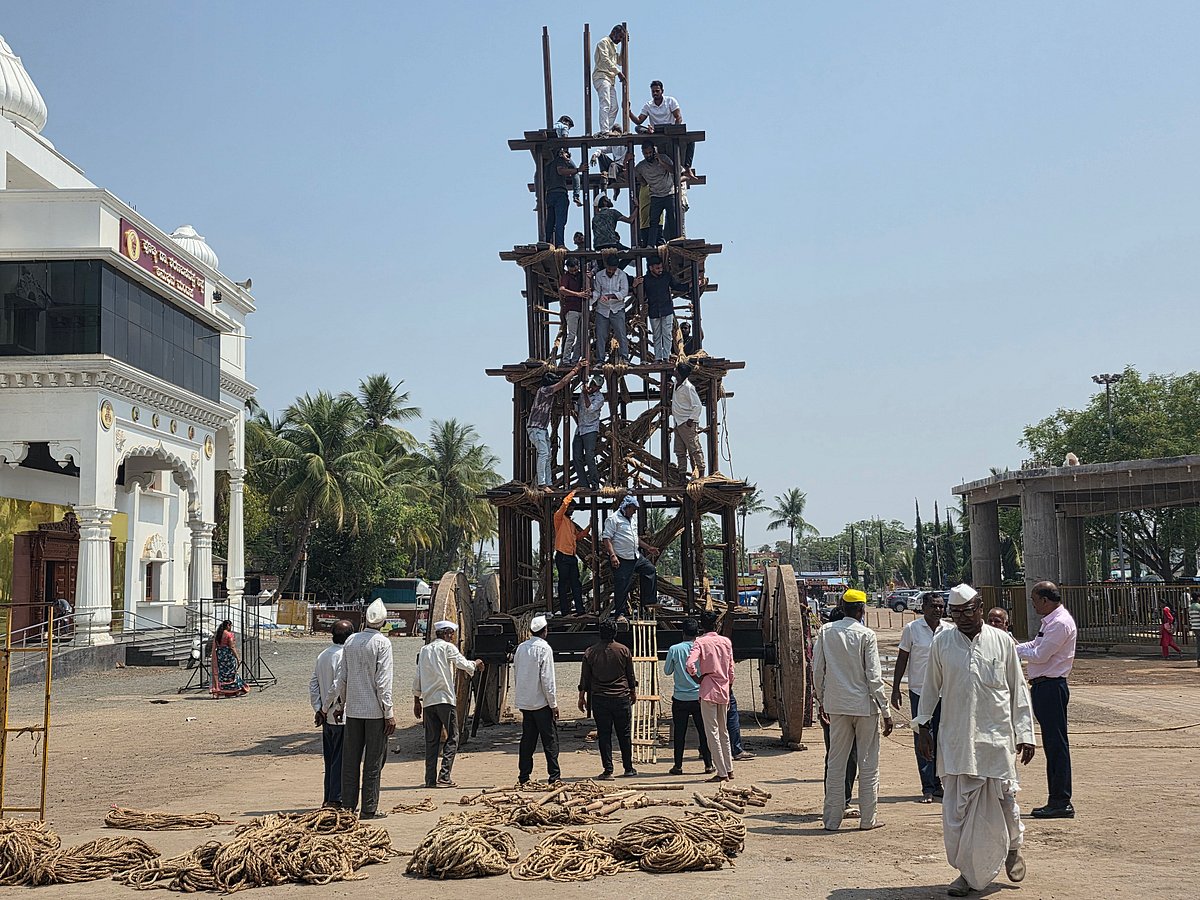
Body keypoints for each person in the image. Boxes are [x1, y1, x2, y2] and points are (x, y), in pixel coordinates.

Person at [917, 584, 1035, 896]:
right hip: (956, 741)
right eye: (956, 614)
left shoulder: (1002, 642)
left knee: (1005, 801)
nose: (963, 618)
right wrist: (923, 727)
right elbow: (930, 688)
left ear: (980, 607)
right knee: (957, 812)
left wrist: (1025, 734)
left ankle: (1010, 851)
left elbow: (1018, 689)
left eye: (968, 611)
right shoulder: (942, 643)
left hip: (995, 739)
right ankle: (967, 870)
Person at [812, 588, 892, 831]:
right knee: (868, 764)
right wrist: (886, 711)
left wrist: (820, 702)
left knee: (836, 763)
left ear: (843, 608)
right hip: (865, 707)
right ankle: (868, 820)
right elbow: (874, 677)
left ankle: (832, 821)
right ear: (861, 610)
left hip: (836, 705)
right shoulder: (866, 635)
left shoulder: (825, 632)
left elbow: (817, 671)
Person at [1016, 580, 1077, 819]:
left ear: (1045, 600)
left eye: (1033, 600)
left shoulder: (1060, 623)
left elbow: (1040, 655)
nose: (1032, 605)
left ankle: (1060, 800)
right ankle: (1057, 798)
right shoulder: (1050, 622)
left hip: (1052, 686)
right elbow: (1035, 644)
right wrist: (1014, 647)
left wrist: (1014, 650)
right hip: (1043, 687)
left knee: (1056, 745)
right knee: (1053, 744)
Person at [337, 599, 395, 818]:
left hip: (353, 711)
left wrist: (340, 704)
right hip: (375, 713)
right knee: (373, 762)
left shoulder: (350, 641)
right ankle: (369, 808)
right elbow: (383, 682)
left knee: (350, 762)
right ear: (384, 622)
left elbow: (342, 677)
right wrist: (388, 713)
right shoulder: (382, 643)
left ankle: (348, 807)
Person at [891, 591, 949, 802]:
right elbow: (902, 658)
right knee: (923, 737)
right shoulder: (912, 629)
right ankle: (927, 786)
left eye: (941, 606)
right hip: (919, 692)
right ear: (923, 608)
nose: (937, 610)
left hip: (945, 693)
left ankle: (939, 783)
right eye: (933, 606)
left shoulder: (949, 630)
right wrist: (896, 688)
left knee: (943, 738)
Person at [413, 620, 482, 789]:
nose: (452, 637)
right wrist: (476, 664)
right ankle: (444, 776)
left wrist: (416, 699)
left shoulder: (424, 650)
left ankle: (430, 779)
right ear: (446, 633)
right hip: (444, 699)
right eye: (451, 633)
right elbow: (462, 664)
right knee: (453, 737)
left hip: (429, 701)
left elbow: (418, 676)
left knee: (431, 740)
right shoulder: (447, 648)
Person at [578, 618, 637, 779]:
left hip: (600, 698)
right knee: (624, 734)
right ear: (615, 633)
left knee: (604, 734)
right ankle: (628, 767)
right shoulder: (624, 650)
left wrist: (581, 696)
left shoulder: (590, 652)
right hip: (621, 696)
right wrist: (632, 691)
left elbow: (585, 677)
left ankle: (608, 769)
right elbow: (630, 675)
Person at [686, 610, 735, 782]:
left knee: (712, 732)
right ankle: (729, 769)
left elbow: (690, 663)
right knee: (724, 731)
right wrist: (729, 685)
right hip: (723, 689)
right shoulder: (725, 642)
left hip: (708, 689)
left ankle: (721, 772)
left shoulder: (700, 642)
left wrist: (697, 677)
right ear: (717, 625)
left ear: (701, 625)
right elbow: (731, 668)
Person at [310, 619, 353, 808]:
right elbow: (337, 686)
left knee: (330, 759)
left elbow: (313, 684)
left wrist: (318, 708)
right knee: (340, 759)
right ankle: (335, 798)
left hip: (325, 716)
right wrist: (326, 708)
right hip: (337, 714)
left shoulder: (323, 655)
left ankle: (328, 796)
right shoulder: (345, 656)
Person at [663, 618, 713, 775]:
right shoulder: (702, 647)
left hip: (680, 697)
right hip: (699, 696)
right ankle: (708, 764)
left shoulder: (674, 649)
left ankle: (678, 765)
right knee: (703, 732)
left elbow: (667, 671)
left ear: (682, 633)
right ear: (697, 633)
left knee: (679, 732)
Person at [514, 614, 560, 784]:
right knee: (550, 741)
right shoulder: (544, 649)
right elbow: (547, 679)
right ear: (545, 631)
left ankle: (524, 776)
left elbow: (517, 673)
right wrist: (553, 704)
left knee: (528, 741)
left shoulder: (521, 648)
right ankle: (554, 776)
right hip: (541, 703)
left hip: (526, 703)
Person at [602, 495, 659, 620]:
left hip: (635, 555)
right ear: (626, 507)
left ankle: (648, 602)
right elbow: (606, 538)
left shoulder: (631, 519)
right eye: (633, 509)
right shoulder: (613, 519)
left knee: (650, 569)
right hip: (621, 558)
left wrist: (648, 547)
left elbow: (635, 538)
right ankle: (620, 614)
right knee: (622, 586)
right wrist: (613, 556)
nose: (634, 512)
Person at [527, 364, 582, 488]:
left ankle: (548, 482)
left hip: (541, 429)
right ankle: (542, 483)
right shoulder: (544, 391)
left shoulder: (546, 393)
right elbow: (562, 383)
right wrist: (576, 369)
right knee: (544, 454)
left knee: (548, 455)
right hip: (536, 428)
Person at [633, 258, 688, 362]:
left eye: (661, 267)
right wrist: (635, 286)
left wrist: (690, 285)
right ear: (651, 268)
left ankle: (666, 357)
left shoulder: (666, 276)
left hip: (667, 309)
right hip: (654, 311)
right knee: (656, 335)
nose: (660, 270)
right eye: (657, 268)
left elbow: (677, 286)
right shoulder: (646, 280)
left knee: (667, 334)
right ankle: (658, 357)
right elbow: (641, 296)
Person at [634, 142, 677, 246]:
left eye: (650, 152)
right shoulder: (641, 166)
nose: (648, 155)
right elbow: (634, 177)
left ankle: (676, 240)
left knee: (672, 218)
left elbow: (674, 170)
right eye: (645, 153)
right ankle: (650, 244)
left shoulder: (664, 158)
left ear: (654, 151)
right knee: (653, 222)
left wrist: (661, 162)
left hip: (668, 193)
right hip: (655, 195)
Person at [554, 490, 590, 616]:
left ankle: (580, 609)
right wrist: (572, 494)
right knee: (563, 584)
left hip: (571, 556)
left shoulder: (570, 523)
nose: (572, 511)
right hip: (562, 555)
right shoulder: (559, 518)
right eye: (571, 508)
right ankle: (565, 610)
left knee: (576, 584)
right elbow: (564, 505)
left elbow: (577, 537)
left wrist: (589, 527)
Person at [592, 255, 629, 364]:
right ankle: (600, 360)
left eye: (614, 269)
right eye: (610, 269)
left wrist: (611, 296)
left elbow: (624, 292)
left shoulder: (622, 275)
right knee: (600, 335)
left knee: (621, 334)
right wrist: (596, 296)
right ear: (606, 266)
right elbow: (597, 292)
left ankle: (624, 358)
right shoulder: (599, 276)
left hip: (617, 308)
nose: (611, 271)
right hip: (602, 310)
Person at [543, 147, 583, 247]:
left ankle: (547, 242)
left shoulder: (547, 165)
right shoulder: (560, 160)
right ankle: (560, 244)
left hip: (550, 194)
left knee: (550, 222)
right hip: (559, 193)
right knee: (560, 221)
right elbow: (560, 171)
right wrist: (577, 169)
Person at [671, 363, 705, 478]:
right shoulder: (677, 383)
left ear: (680, 374)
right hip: (678, 421)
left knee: (694, 449)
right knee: (680, 451)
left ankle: (701, 474)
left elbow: (698, 406)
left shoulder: (688, 387)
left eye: (676, 370)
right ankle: (682, 475)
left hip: (686, 423)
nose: (674, 371)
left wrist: (690, 420)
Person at [573, 374, 605, 489]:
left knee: (589, 456)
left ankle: (595, 483)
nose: (592, 386)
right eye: (592, 383)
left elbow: (589, 408)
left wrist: (585, 394)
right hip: (580, 429)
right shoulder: (583, 394)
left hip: (590, 429)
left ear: (598, 388)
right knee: (577, 456)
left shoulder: (600, 398)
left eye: (595, 386)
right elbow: (579, 408)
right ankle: (583, 483)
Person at [592, 25, 625, 134]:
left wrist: (624, 45)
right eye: (619, 37)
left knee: (614, 107)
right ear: (613, 32)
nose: (620, 40)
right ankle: (604, 131)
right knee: (605, 103)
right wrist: (618, 72)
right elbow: (605, 60)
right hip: (601, 76)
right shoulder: (603, 43)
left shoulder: (614, 46)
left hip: (610, 80)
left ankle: (606, 130)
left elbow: (620, 61)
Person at [558, 257, 589, 366]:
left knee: (581, 337)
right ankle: (566, 360)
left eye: (576, 270)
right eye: (572, 270)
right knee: (571, 335)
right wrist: (578, 294)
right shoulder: (566, 277)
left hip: (582, 309)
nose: (574, 272)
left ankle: (575, 360)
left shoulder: (582, 275)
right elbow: (562, 290)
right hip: (571, 309)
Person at [210, 619, 248, 698]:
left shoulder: (218, 635)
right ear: (228, 626)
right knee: (232, 673)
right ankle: (236, 690)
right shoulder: (229, 635)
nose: (231, 627)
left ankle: (219, 690)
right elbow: (232, 647)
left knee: (222, 673)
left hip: (220, 656)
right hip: (228, 656)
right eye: (231, 626)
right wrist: (237, 658)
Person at [553, 115, 583, 207]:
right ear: (566, 121)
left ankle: (539, 201)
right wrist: (565, 153)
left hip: (551, 155)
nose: (568, 128)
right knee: (575, 171)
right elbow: (565, 140)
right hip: (560, 154)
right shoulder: (564, 126)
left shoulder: (553, 126)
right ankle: (576, 196)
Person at [1189, 589, 1200, 668]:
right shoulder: (1198, 606)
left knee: (1198, 644)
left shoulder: (1190, 607)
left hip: (1194, 627)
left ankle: (1198, 660)